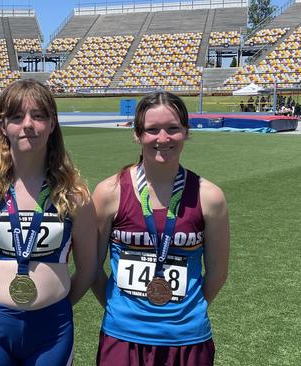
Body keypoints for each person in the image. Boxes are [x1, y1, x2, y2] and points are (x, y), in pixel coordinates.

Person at [0, 79, 97, 365]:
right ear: (3, 125)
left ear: (52, 123)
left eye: (38, 116)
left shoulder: (75, 196)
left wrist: (55, 304)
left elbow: (88, 268)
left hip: (52, 328)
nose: (28, 125)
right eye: (17, 117)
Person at [92, 91, 229, 366]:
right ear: (137, 134)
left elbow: (217, 273)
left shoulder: (209, 196)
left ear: (186, 132)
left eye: (173, 129)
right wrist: (119, 308)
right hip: (123, 336)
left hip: (187, 338)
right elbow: (92, 267)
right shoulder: (110, 192)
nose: (163, 139)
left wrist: (186, 312)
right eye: (152, 130)